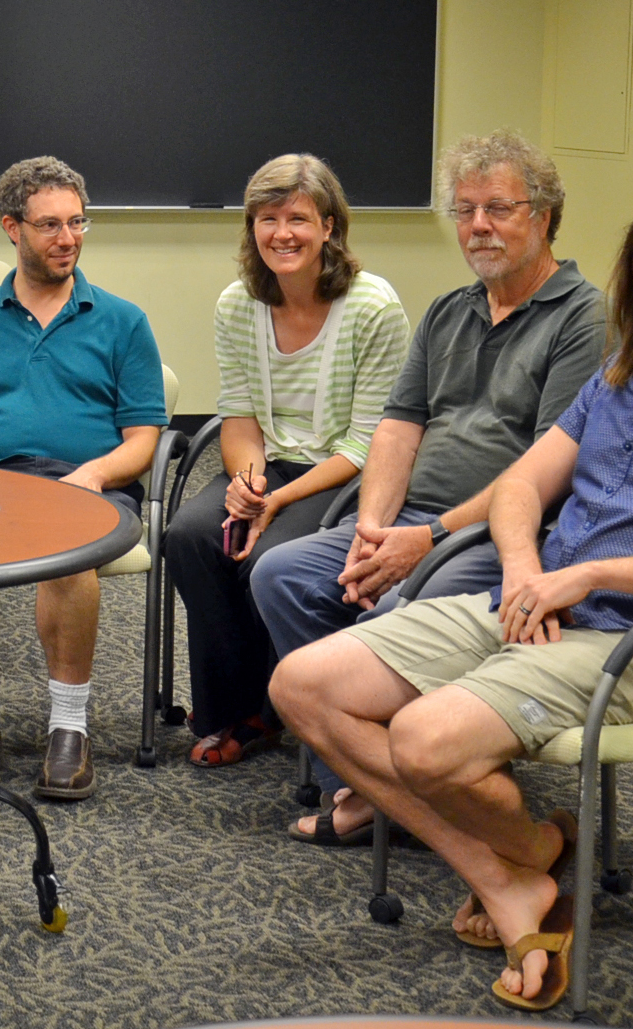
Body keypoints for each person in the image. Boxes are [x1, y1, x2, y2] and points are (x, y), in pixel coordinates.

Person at [270, 185, 633, 1010]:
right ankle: (515, 872)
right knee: (302, 687)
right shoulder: (619, 374)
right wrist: (528, 566)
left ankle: (520, 871)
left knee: (424, 742)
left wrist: (591, 575)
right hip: (532, 604)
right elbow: (517, 490)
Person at [248, 131, 606, 843]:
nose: (477, 226)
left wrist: (429, 538)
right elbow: (397, 426)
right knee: (282, 574)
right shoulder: (450, 310)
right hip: (408, 520)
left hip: (500, 534)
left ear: (541, 216)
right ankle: (365, 786)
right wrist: (372, 530)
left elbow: (544, 465)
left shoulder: (582, 318)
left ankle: (385, 795)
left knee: (387, 617)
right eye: (465, 210)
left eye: (498, 209)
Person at [0, 156, 166, 802]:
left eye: (77, 222)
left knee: (67, 550)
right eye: (50, 224)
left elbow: (142, 439)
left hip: (87, 483)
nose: (67, 238)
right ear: (11, 228)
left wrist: (94, 474)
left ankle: (68, 729)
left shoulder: (121, 320)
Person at [160, 154, 409, 767]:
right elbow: (239, 414)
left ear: (329, 226)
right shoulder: (238, 303)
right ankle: (231, 707)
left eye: (298, 217)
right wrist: (249, 482)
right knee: (190, 536)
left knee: (268, 558)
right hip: (268, 467)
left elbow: (367, 442)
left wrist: (279, 500)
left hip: (343, 478)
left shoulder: (373, 307)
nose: (282, 233)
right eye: (266, 219)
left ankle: (274, 708)